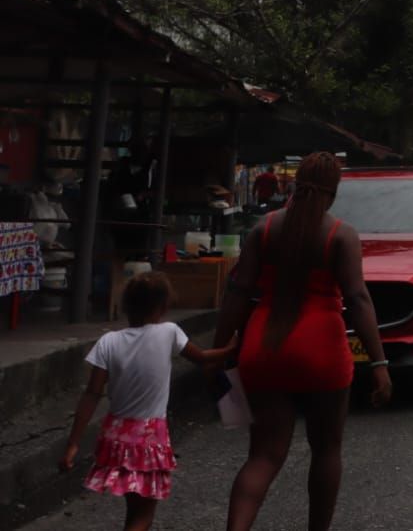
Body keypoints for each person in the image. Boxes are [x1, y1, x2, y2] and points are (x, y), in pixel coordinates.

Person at [215, 152, 391, 531]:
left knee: (263, 455)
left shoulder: (263, 229)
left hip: (264, 349)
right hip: (321, 352)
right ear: (334, 191)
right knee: (326, 450)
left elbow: (238, 291)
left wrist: (219, 347)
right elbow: (358, 300)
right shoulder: (340, 235)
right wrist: (379, 364)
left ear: (295, 184)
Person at [59, 272, 236, 531]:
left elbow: (91, 395)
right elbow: (204, 358)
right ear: (163, 308)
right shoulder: (169, 332)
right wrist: (232, 349)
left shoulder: (108, 342)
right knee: (143, 515)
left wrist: (73, 444)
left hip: (115, 438)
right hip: (148, 440)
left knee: (135, 509)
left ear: (126, 306)